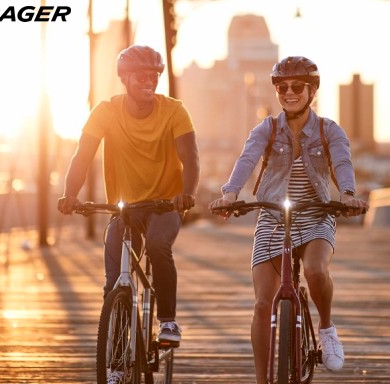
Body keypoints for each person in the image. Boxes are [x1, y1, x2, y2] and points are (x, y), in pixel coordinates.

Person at [208, 56, 367, 382]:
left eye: (297, 86)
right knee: (262, 303)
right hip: (274, 216)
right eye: (282, 87)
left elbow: (341, 162)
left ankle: (326, 328)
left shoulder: (328, 130)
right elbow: (247, 159)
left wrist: (348, 193)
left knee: (313, 269)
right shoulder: (266, 129)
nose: (289, 92)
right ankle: (263, 380)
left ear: (312, 90)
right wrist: (230, 193)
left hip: (315, 214)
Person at [57, 44, 199, 350]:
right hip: (125, 209)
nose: (149, 81)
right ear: (124, 77)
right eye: (141, 76)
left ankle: (168, 320)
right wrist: (70, 194)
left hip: (166, 203)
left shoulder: (174, 110)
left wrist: (186, 194)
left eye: (154, 75)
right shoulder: (106, 112)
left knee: (159, 246)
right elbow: (82, 157)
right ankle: (119, 351)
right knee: (114, 281)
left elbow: (191, 158)